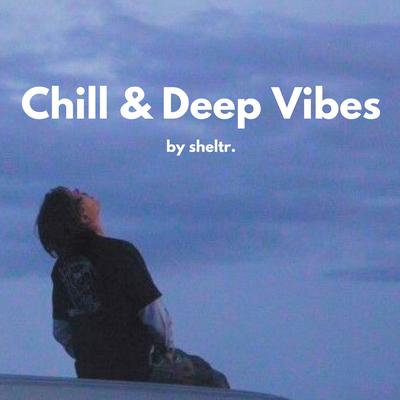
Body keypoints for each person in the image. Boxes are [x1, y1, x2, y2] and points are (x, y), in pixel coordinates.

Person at [36, 186, 229, 388]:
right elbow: (155, 316)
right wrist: (166, 353)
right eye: (78, 195)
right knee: (214, 380)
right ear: (83, 216)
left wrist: (92, 357)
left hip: (92, 373)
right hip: (140, 370)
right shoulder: (120, 252)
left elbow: (61, 331)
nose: (81, 191)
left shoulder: (61, 269)